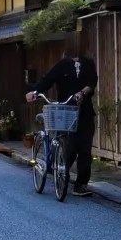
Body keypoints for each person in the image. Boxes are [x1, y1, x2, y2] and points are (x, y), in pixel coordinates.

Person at [29, 36, 99, 195]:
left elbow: (92, 83)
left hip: (85, 112)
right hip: (66, 112)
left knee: (85, 149)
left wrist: (82, 93)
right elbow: (47, 80)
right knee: (70, 146)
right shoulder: (62, 65)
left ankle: (81, 184)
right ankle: (61, 173)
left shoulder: (88, 63)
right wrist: (35, 92)